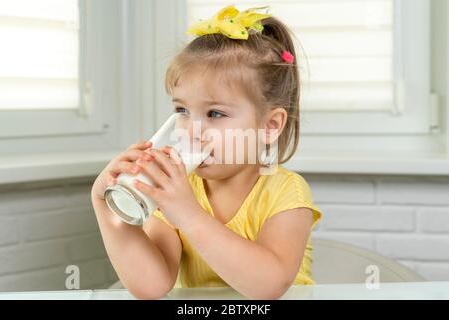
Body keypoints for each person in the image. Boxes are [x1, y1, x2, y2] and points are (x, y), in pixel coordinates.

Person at [91, 5, 322, 300]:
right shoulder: (176, 190)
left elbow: (269, 286)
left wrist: (188, 215)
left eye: (214, 113)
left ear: (269, 125)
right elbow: (151, 286)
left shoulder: (285, 191)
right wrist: (107, 208)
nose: (190, 130)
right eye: (182, 110)